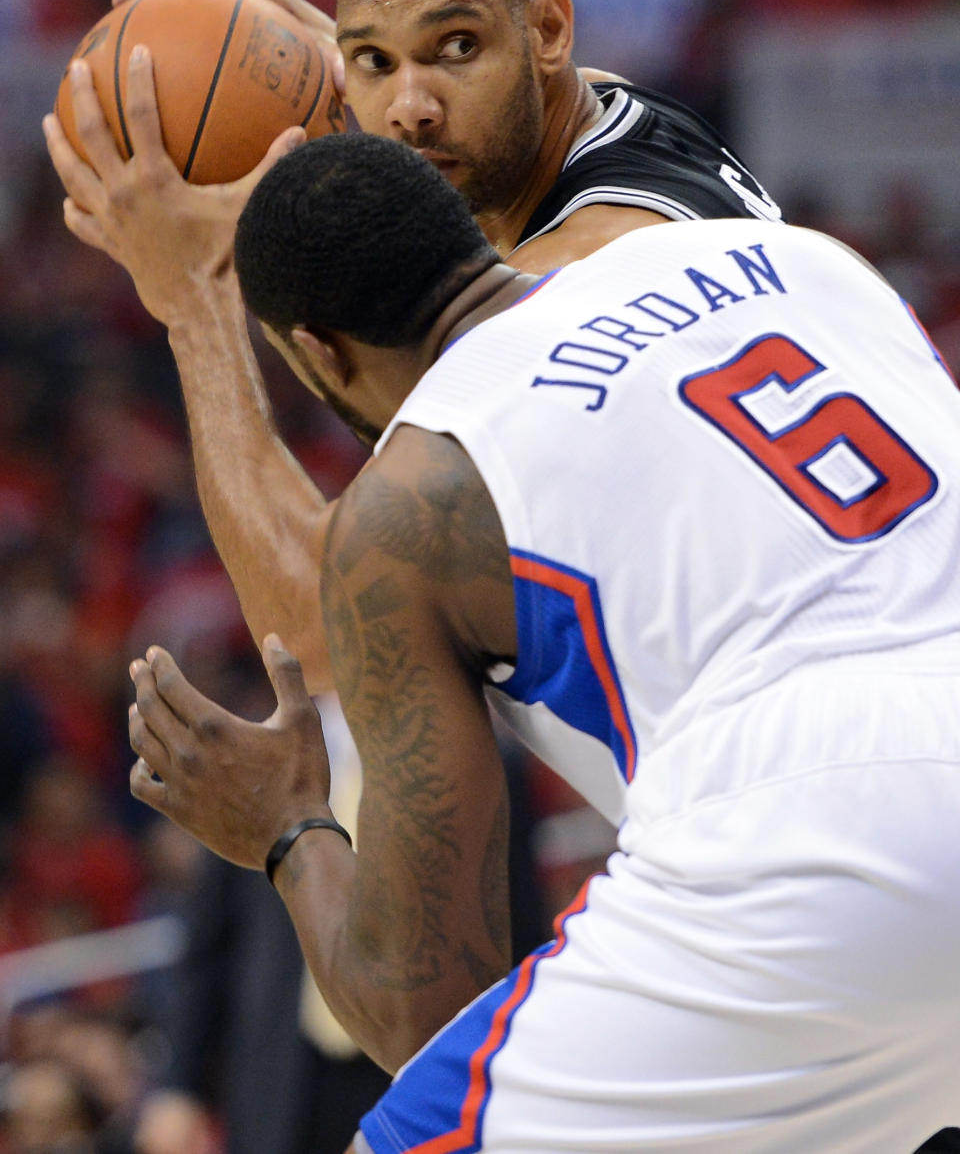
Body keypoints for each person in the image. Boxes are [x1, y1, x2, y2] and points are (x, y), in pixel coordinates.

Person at [122, 131, 960, 1152]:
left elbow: (426, 1011)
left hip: (804, 847)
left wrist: (286, 828)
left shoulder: (411, 495)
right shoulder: (800, 257)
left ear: (320, 352)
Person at [43, 0, 781, 695]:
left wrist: (196, 300)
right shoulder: (621, 115)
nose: (410, 109)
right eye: (374, 62)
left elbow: (328, 641)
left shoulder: (565, 292)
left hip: (779, 742)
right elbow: (446, 110)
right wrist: (318, 59)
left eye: (456, 46)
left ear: (549, 31)